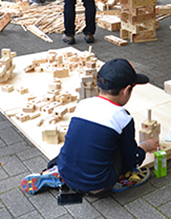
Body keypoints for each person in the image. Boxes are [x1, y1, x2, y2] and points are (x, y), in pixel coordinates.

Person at [21, 59, 158, 196]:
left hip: (66, 171)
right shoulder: (123, 118)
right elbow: (132, 159)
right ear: (127, 90)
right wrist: (145, 146)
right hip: (97, 187)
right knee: (118, 147)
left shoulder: (83, 104)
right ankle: (125, 178)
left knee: (80, 142)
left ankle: (57, 172)